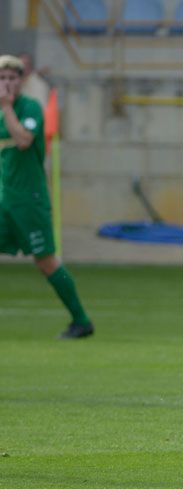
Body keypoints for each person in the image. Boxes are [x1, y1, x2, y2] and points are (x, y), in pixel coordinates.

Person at [0, 55, 93, 339]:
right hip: (5, 199)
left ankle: (81, 321)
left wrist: (6, 107)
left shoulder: (30, 108)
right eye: (2, 78)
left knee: (46, 262)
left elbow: (24, 140)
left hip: (30, 200)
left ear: (21, 81)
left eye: (12, 78)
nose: (7, 84)